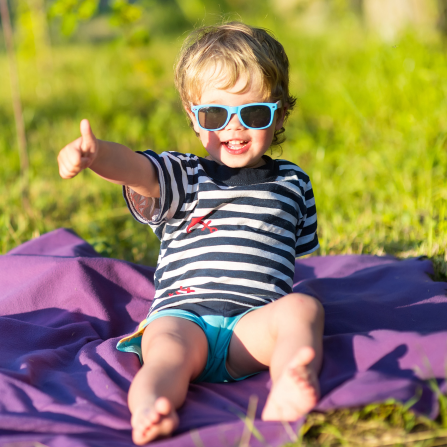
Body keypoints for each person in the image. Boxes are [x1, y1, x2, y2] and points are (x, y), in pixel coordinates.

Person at [57, 21, 325, 445]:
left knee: (303, 309)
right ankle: (151, 408)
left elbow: (297, 260)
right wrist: (97, 155)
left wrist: (284, 317)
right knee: (164, 356)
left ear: (280, 113)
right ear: (194, 119)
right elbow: (136, 169)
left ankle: (291, 378)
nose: (233, 128)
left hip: (251, 332)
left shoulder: (294, 184)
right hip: (186, 318)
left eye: (253, 113)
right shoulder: (186, 175)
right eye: (216, 114)